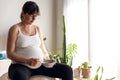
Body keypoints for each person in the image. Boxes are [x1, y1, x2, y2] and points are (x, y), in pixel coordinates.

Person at [7, 1, 73, 80]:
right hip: (21, 66)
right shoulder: (15, 29)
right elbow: (10, 54)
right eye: (31, 15)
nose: (34, 18)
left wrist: (48, 60)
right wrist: (27, 61)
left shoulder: (37, 28)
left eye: (36, 15)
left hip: (41, 65)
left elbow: (42, 48)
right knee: (20, 76)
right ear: (23, 13)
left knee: (67, 70)